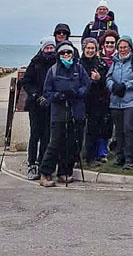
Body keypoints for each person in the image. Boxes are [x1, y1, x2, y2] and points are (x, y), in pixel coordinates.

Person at [39, 41, 90, 187]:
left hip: (76, 111)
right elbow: (47, 92)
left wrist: (77, 93)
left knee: (72, 144)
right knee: (55, 143)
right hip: (59, 112)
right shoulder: (53, 70)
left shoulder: (79, 68)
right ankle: (45, 173)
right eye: (63, 53)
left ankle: (64, 172)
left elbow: (86, 85)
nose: (66, 55)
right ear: (58, 55)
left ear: (72, 54)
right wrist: (59, 96)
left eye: (68, 52)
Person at [106, 35, 133, 170]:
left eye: (125, 47)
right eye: (120, 47)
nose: (122, 49)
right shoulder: (115, 61)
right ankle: (119, 157)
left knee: (129, 129)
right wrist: (113, 86)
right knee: (119, 131)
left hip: (132, 101)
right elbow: (108, 78)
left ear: (130, 47)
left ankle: (130, 159)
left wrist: (125, 85)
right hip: (116, 101)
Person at [22, 36, 57, 180]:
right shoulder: (35, 62)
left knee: (46, 136)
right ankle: (32, 164)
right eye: (47, 48)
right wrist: (36, 95)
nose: (49, 50)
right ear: (43, 49)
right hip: (35, 104)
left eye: (51, 47)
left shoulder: (57, 63)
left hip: (50, 104)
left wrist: (51, 97)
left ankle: (43, 162)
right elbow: (26, 81)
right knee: (35, 134)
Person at [80, 38, 111, 166]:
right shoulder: (78, 64)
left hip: (96, 102)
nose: (90, 50)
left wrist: (99, 78)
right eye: (88, 48)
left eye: (92, 48)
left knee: (93, 131)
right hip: (81, 101)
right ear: (84, 48)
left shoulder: (101, 64)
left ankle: (91, 158)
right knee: (78, 131)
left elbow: (107, 82)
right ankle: (76, 158)